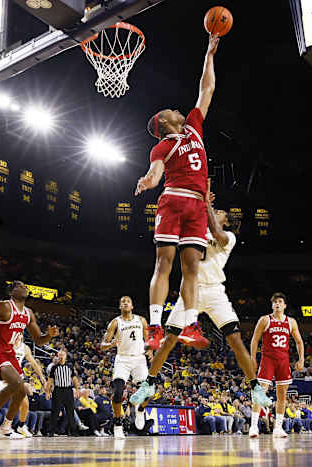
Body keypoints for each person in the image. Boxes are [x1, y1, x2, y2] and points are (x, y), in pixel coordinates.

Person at [131, 186, 272, 410]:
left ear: (227, 222)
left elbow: (216, 233)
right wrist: (198, 199)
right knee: (168, 341)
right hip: (191, 289)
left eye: (221, 213)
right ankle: (149, 383)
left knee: (235, 340)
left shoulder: (229, 237)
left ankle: (255, 388)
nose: (217, 212)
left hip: (215, 291)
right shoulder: (195, 229)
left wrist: (206, 202)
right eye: (215, 210)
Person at [134, 34, 221, 351]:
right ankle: (155, 327)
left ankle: (190, 324)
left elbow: (206, 90)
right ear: (163, 123)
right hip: (173, 199)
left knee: (192, 269)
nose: (176, 109)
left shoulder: (194, 127)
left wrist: (209, 54)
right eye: (170, 110)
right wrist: (147, 180)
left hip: (197, 206)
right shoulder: (162, 145)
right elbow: (156, 174)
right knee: (163, 263)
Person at [0, 281, 58, 440]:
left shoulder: (28, 313)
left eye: (25, 285)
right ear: (12, 291)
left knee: (22, 390)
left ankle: (6, 427)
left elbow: (38, 340)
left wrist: (49, 336)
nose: (24, 286)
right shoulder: (3, 306)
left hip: (9, 353)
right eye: (19, 285)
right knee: (16, 383)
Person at [249, 292, 305, 438]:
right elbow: (255, 340)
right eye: (274, 302)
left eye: (280, 302)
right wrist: (253, 358)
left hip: (283, 360)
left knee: (282, 395)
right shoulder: (265, 320)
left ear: (284, 305)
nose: (277, 304)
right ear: (272, 305)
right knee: (259, 392)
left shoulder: (291, 322)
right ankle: (253, 426)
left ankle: (278, 428)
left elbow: (299, 341)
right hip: (267, 359)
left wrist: (301, 359)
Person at [99, 296, 150, 438]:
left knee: (149, 392)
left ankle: (140, 410)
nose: (126, 303)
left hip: (139, 358)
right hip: (122, 359)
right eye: (123, 302)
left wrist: (151, 351)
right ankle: (117, 424)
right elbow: (102, 345)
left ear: (132, 306)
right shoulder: (115, 322)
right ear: (120, 306)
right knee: (118, 392)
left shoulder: (141, 320)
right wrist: (110, 344)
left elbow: (148, 340)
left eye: (128, 301)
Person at [46, 350, 80, 437]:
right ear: (57, 356)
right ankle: (51, 431)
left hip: (68, 390)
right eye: (60, 355)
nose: (61, 357)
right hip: (58, 390)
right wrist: (47, 392)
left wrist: (77, 389)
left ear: (65, 356)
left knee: (70, 411)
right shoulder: (54, 367)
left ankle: (73, 431)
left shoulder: (70, 366)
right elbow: (50, 381)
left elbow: (74, 379)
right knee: (55, 411)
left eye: (63, 355)